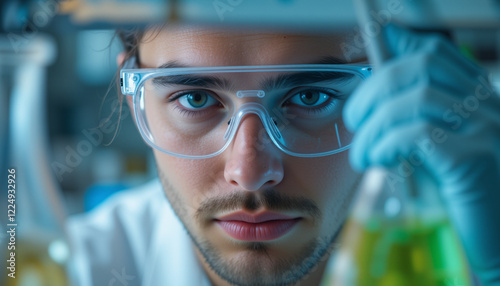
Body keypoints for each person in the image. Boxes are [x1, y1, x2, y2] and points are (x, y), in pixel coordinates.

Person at [66, 22, 500, 286]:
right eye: (196, 99)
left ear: (396, 87)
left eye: (311, 96)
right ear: (133, 98)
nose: (250, 172)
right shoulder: (68, 273)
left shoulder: (471, 257)